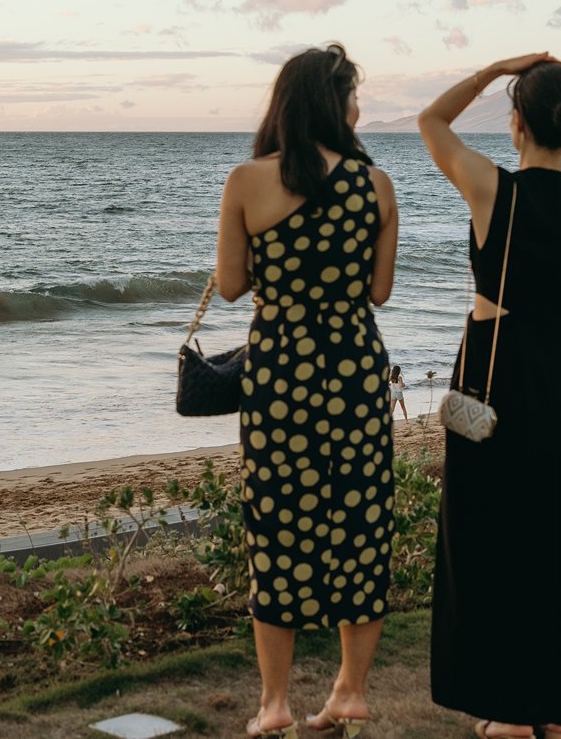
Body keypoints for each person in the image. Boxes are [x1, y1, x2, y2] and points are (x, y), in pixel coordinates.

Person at [418, 54, 561, 739]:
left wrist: (490, 68)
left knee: (492, 531)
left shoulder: (491, 186)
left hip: (494, 369)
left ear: (517, 122)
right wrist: (555, 361)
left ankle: (506, 710)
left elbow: (430, 120)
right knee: (558, 537)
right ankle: (556, 711)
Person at [216, 43, 400, 739]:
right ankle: (349, 690)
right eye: (354, 95)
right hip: (353, 367)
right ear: (334, 102)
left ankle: (274, 704)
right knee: (360, 520)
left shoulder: (247, 180)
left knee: (278, 528)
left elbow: (232, 286)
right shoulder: (374, 184)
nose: (359, 108)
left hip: (280, 375)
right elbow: (379, 291)